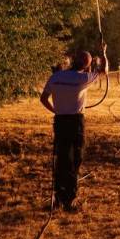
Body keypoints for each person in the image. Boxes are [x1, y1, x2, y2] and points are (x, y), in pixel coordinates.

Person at [40, 43, 108, 212]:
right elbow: (104, 70)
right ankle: (69, 199)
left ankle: (58, 196)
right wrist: (104, 53)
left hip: (60, 121)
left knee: (61, 158)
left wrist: (57, 110)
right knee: (75, 160)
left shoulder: (55, 77)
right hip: (75, 122)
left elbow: (43, 99)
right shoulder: (83, 79)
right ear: (86, 65)